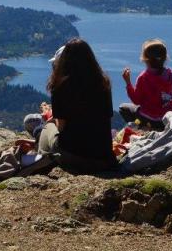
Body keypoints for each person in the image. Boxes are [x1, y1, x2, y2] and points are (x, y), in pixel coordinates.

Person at [37, 39, 117, 171]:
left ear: (64, 60)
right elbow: (107, 118)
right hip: (104, 158)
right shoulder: (103, 83)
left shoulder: (60, 86)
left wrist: (51, 117)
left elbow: (61, 127)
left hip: (74, 157)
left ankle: (42, 160)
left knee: (47, 128)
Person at [119, 39, 172, 130]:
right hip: (167, 118)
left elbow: (136, 100)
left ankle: (142, 127)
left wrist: (128, 82)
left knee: (123, 108)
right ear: (165, 58)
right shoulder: (169, 74)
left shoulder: (144, 77)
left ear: (145, 59)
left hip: (150, 119)